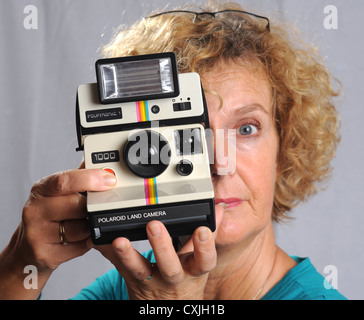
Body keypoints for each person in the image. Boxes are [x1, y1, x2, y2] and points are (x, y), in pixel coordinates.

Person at [0, 1, 346, 300]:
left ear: (284, 149)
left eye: (245, 129)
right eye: (188, 135)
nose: (220, 163)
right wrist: (21, 267)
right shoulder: (138, 284)